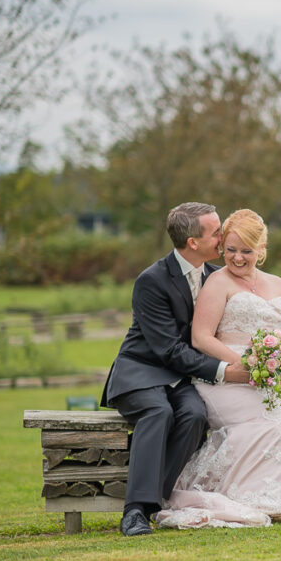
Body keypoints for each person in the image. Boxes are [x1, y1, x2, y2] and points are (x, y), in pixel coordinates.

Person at [154, 209, 281, 528]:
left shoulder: (277, 284)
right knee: (268, 425)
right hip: (225, 381)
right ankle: (254, 500)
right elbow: (200, 337)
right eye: (230, 250)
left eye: (246, 251)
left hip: (270, 378)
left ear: (261, 250)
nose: (237, 258)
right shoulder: (217, 283)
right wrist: (245, 363)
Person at [101, 202, 251, 536]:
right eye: (216, 232)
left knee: (195, 416)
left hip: (181, 376)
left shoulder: (216, 276)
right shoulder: (151, 281)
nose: (223, 236)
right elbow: (168, 349)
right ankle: (135, 511)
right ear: (193, 242)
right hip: (142, 370)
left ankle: (157, 501)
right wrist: (226, 371)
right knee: (157, 412)